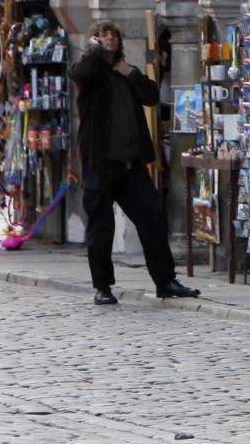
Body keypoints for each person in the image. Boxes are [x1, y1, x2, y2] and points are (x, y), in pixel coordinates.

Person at [70, 19, 197, 306]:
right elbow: (80, 74)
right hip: (100, 163)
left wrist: (131, 73)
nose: (109, 38)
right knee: (101, 227)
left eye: (113, 34)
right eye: (102, 34)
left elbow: (152, 97)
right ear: (94, 40)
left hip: (132, 164)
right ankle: (102, 286)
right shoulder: (89, 72)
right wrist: (93, 52)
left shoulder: (127, 73)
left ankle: (165, 281)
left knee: (152, 217)